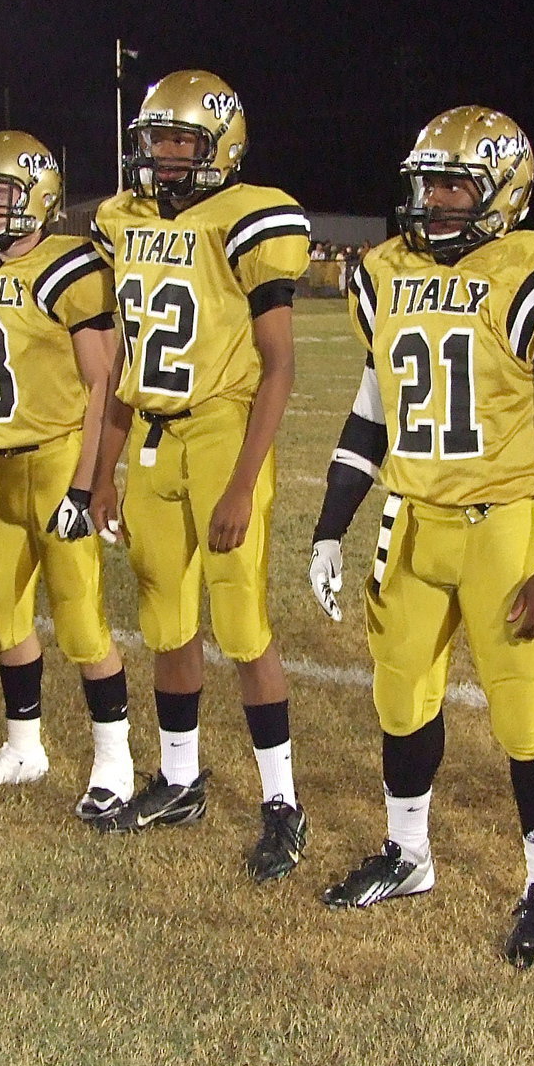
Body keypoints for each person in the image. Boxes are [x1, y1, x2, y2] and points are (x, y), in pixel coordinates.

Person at [308, 106, 534, 967]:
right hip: (412, 515)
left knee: (521, 711)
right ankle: (409, 854)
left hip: (504, 521)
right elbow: (372, 412)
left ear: (503, 190)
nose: (434, 201)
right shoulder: (387, 273)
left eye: (454, 184)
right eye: (427, 184)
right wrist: (332, 524)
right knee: (400, 700)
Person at [89, 70, 312, 884]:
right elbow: (123, 354)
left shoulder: (251, 216)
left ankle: (282, 802)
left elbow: (281, 365)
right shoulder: (124, 220)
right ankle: (181, 781)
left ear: (221, 143)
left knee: (244, 624)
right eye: (156, 139)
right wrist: (103, 469)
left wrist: (244, 481)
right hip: (149, 430)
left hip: (222, 427)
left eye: (181, 139)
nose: (164, 155)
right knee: (166, 618)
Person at [0, 130, 134, 821]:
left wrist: (85, 483)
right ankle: (24, 747)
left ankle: (114, 760)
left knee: (79, 619)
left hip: (55, 456)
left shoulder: (65, 266)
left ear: (37, 196)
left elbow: (103, 382)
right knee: (0, 609)